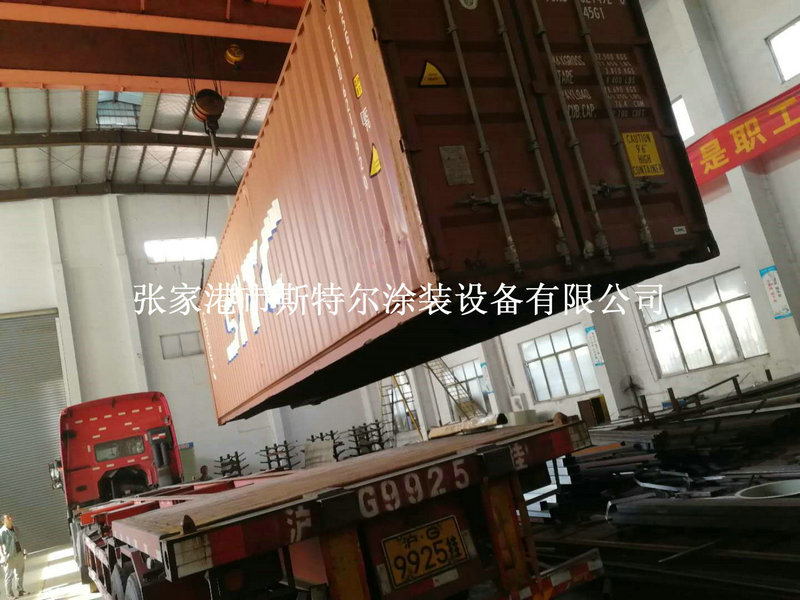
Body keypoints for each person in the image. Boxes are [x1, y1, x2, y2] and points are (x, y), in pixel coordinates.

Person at [0, 515, 27, 598]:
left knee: (19, 573)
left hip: (19, 553)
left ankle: (20, 590)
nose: (10, 519)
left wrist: (24, 550)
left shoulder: (16, 528)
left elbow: (20, 540)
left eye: (10, 517)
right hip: (9, 556)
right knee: (9, 576)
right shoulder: (2, 532)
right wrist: (3, 557)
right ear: (3, 521)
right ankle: (10, 595)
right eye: (7, 518)